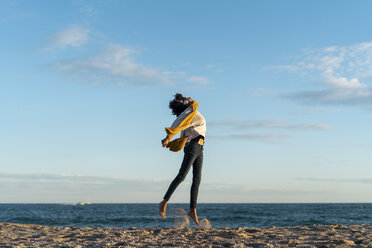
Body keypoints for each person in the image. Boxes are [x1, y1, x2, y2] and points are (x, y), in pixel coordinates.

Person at [159, 93, 206, 226]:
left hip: (200, 148)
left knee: (197, 179)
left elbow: (194, 104)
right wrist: (168, 137)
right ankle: (164, 202)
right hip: (193, 147)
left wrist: (189, 100)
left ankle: (193, 210)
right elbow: (177, 124)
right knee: (182, 176)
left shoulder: (191, 111)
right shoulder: (187, 113)